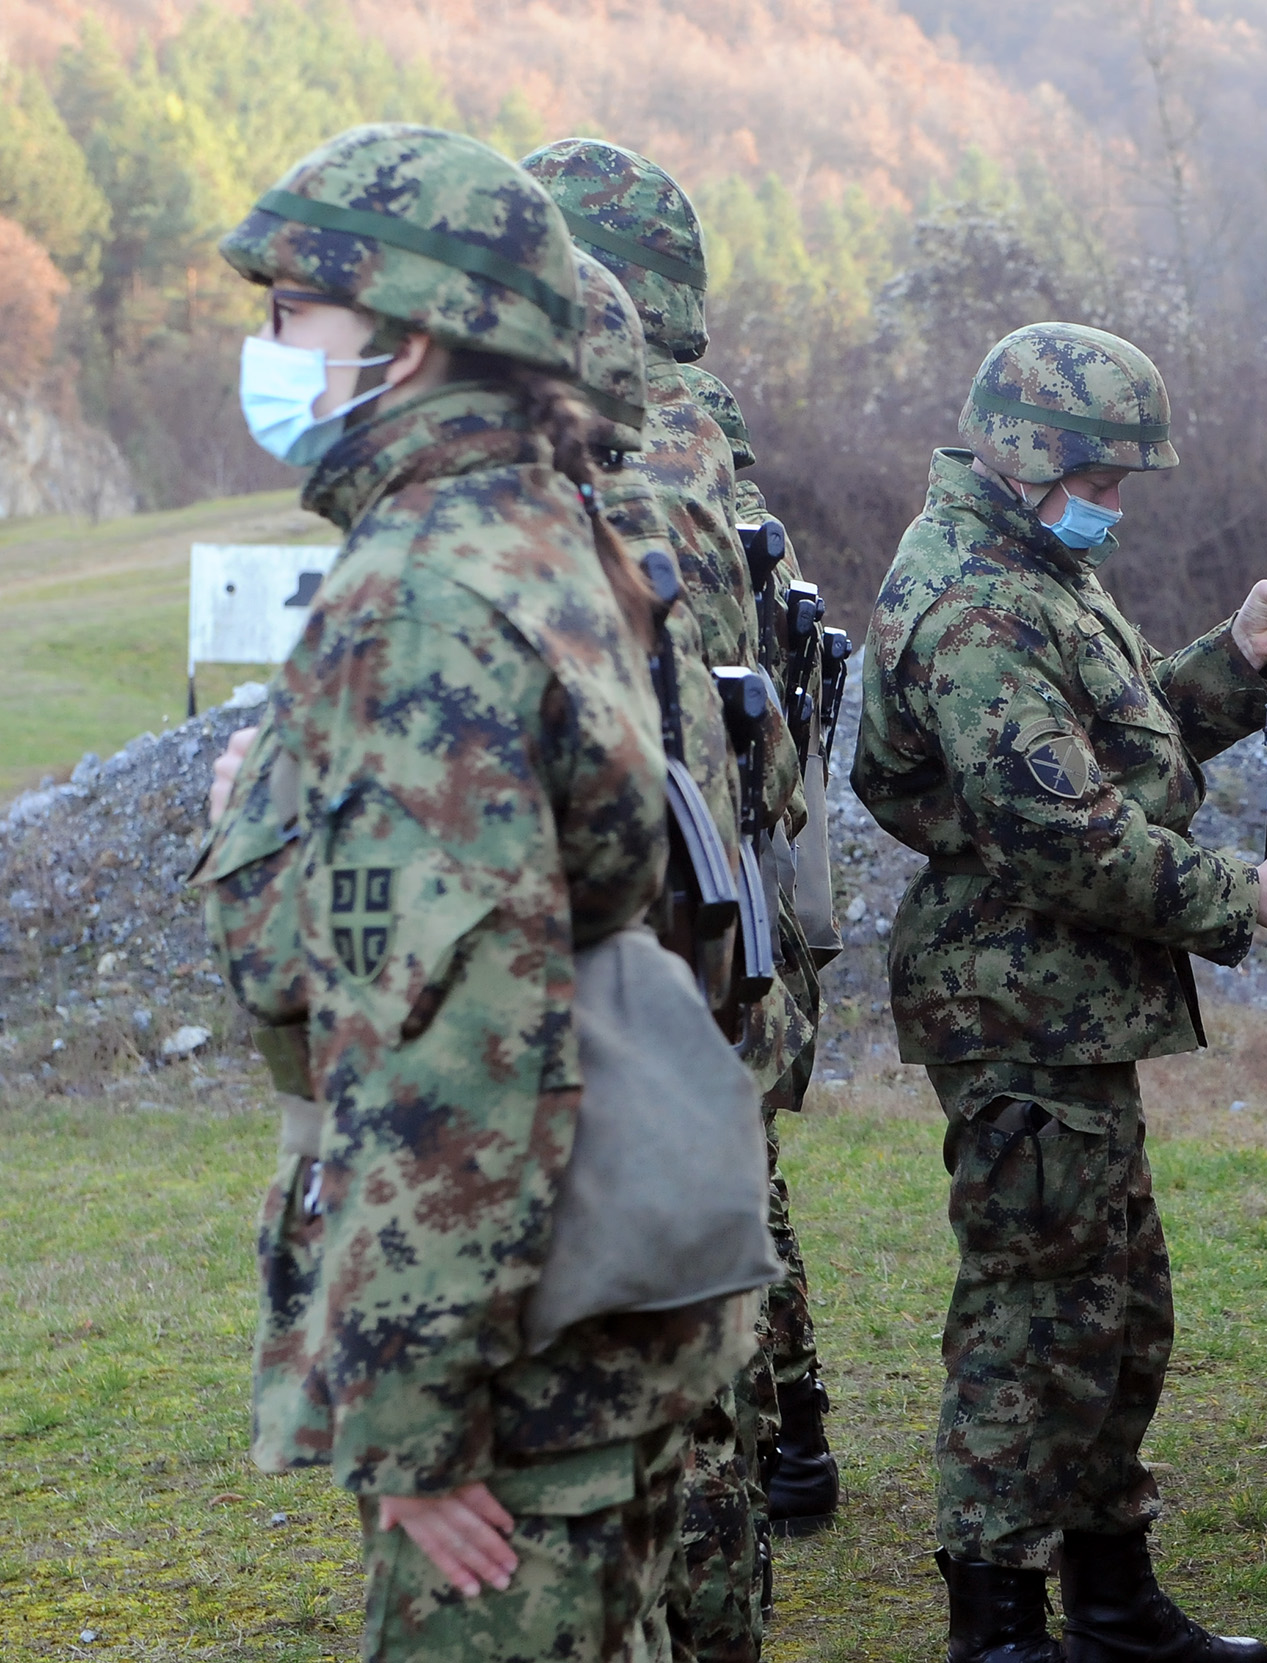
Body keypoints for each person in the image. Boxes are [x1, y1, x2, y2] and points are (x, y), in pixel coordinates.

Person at [195, 123, 754, 1660]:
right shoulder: (544, 526)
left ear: (411, 331)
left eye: (293, 314)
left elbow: (456, 1026)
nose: (270, 352)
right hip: (582, 1327)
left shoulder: (424, 590)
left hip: (515, 1377)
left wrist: (415, 1412)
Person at [849, 321, 1267, 1663]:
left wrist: (1236, 661)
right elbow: (1056, 832)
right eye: (1105, 476)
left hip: (1064, 1002)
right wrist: (1247, 893)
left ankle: (1115, 1598)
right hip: (1015, 1003)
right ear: (1030, 457)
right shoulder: (976, 599)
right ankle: (1002, 1621)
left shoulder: (1031, 570)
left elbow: (1111, 754)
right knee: (1035, 1320)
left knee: (1115, 1310)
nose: (1117, 503)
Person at [523, 135, 799, 1661]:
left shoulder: (564, 526)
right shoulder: (684, 467)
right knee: (704, 1376)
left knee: (647, 1409)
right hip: (691, 977)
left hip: (622, 998)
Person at [680, 360, 848, 1543]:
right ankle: (791, 1425)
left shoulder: (672, 513)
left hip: (717, 891)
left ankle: (769, 1435)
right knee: (747, 1171)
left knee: (725, 1177)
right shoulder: (735, 522)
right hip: (752, 882)